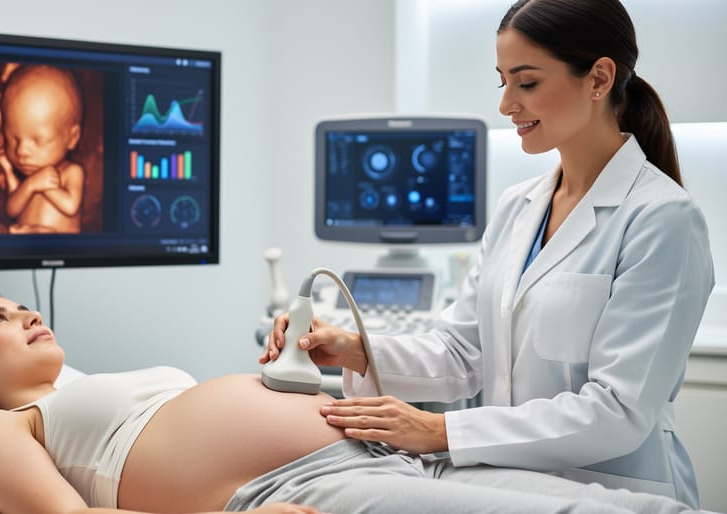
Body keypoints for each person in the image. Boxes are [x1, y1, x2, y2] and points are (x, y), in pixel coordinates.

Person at [264, 0, 714, 510]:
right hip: (510, 488)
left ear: (599, 78)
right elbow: (463, 353)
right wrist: (353, 347)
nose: (506, 106)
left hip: (612, 493)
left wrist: (439, 429)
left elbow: (617, 412)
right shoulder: (517, 207)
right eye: (502, 82)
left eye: (526, 83)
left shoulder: (661, 218)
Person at [0, 291, 700, 514]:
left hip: (383, 446)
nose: (24, 315)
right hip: (293, 492)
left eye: (20, 304)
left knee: (617, 501)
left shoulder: (93, 387)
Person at [0, 64, 85, 234]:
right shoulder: (31, 179)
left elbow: (71, 206)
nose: (21, 151)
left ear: (73, 138)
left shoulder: (72, 172)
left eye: (39, 140)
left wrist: (44, 186)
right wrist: (18, 178)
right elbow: (12, 210)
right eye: (12, 140)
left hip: (62, 248)